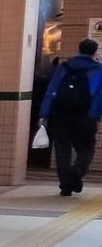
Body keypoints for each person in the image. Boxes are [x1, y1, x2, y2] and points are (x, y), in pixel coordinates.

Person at [39, 37, 102, 196]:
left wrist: (44, 113)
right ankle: (75, 175)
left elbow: (52, 91)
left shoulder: (64, 67)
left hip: (62, 114)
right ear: (95, 52)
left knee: (62, 149)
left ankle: (66, 186)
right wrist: (96, 114)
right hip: (87, 116)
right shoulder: (98, 70)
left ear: (79, 49)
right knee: (86, 148)